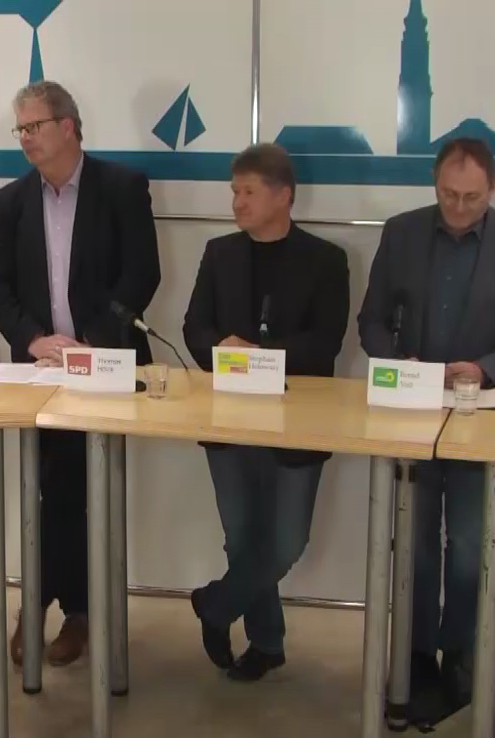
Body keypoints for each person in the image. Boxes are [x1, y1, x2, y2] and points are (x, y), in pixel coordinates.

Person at [356, 137, 495, 707]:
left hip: (478, 415)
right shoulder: (402, 232)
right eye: (448, 195)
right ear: (434, 184)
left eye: (471, 197)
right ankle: (416, 654)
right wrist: (398, 363)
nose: (458, 207)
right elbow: (371, 321)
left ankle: (461, 648)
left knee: (468, 544)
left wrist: (485, 369)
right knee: (414, 542)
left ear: (494, 189)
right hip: (412, 410)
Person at [0, 80, 160, 667]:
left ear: (67, 127)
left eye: (33, 127)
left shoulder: (122, 188)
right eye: (20, 129)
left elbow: (142, 274)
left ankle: (48, 604)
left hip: (104, 364)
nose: (25, 138)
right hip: (38, 371)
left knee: (75, 490)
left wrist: (90, 343)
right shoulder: (12, 201)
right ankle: (68, 608)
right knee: (52, 488)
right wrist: (34, 338)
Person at [182, 143, 350, 681]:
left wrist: (261, 356)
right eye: (234, 191)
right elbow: (194, 328)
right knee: (241, 538)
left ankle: (215, 604)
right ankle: (267, 642)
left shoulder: (327, 260)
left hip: (298, 419)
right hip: (227, 417)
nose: (237, 202)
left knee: (285, 542)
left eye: (248, 192)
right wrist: (223, 350)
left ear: (283, 196)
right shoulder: (219, 253)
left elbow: (324, 343)